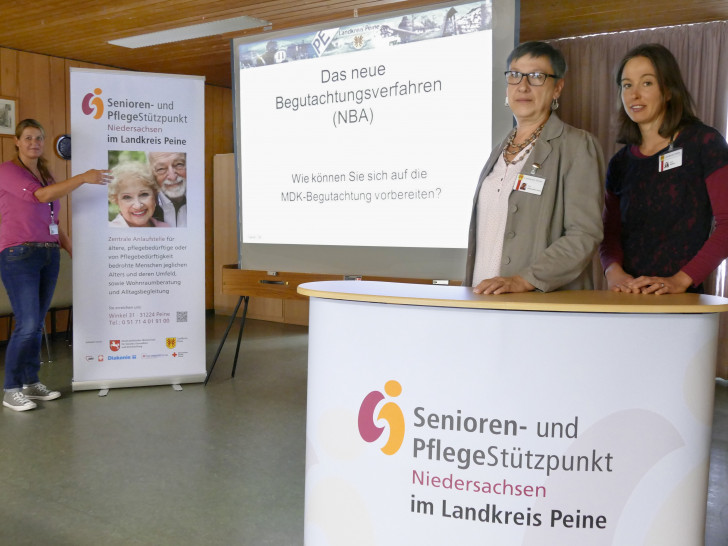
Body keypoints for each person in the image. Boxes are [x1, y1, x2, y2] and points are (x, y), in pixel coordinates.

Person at [464, 41, 605, 294]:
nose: (523, 86)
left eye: (537, 77)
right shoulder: (498, 149)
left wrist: (523, 280)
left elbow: (584, 234)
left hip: (539, 306)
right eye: (515, 75)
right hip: (482, 300)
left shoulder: (577, 145)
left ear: (557, 88)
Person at [599, 43, 728, 294]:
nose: (634, 94)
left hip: (683, 298)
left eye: (646, 83)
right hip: (628, 297)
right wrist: (614, 273)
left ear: (668, 90)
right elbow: (609, 234)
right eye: (627, 85)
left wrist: (680, 280)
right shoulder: (620, 163)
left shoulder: (704, 143)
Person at [0, 118, 109, 411]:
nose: (34, 143)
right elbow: (41, 197)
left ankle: (30, 382)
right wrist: (83, 177)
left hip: (48, 253)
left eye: (38, 138)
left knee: (36, 324)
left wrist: (70, 247)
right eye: (28, 138)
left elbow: (51, 218)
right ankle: (11, 388)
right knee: (28, 323)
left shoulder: (46, 174)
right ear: (17, 141)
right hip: (18, 254)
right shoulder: (7, 171)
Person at [108, 161, 170, 228]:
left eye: (144, 194)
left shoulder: (166, 228)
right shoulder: (110, 230)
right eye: (127, 197)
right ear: (116, 200)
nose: (138, 206)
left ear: (155, 194)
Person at [148, 151, 186, 227]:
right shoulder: (146, 209)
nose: (172, 177)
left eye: (179, 164)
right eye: (161, 169)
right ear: (152, 175)